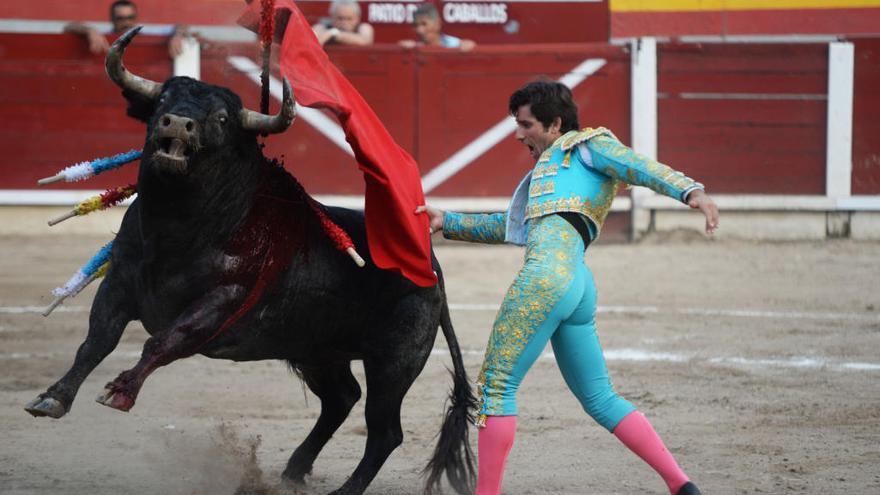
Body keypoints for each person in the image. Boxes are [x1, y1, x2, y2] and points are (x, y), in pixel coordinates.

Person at [416, 80, 719, 495]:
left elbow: (638, 166)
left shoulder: (588, 146)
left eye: (526, 125)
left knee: (497, 387)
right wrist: (446, 222)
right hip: (576, 283)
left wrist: (691, 191)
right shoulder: (552, 169)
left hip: (546, 278)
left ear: (555, 123)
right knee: (599, 396)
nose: (519, 134)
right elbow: (511, 228)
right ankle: (680, 485)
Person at [64, 1, 188, 58]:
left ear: (136, 18)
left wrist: (177, 35)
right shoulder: (103, 36)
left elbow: (181, 26)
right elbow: (68, 27)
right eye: (121, 18)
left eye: (130, 18)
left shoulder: (146, 33)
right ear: (112, 19)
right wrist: (89, 30)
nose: (127, 22)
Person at [398, 3, 475, 51]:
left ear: (437, 24)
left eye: (424, 24)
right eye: (415, 25)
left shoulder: (453, 44)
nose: (419, 30)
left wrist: (470, 46)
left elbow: (468, 45)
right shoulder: (415, 47)